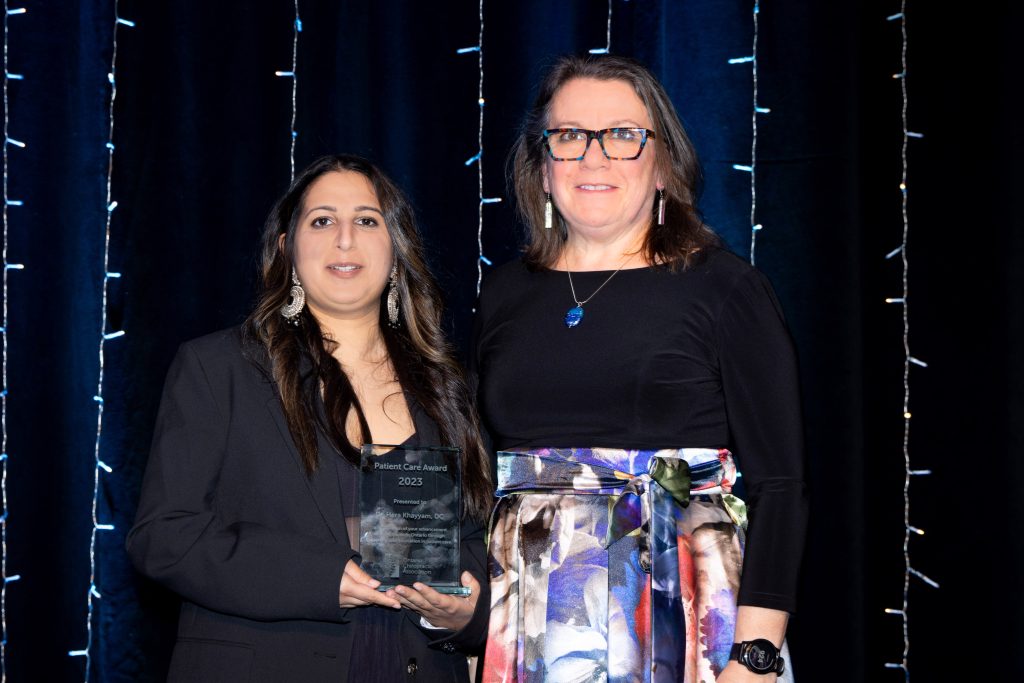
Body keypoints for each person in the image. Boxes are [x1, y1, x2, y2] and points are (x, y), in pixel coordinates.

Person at [471, 55, 806, 682]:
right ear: (541, 167)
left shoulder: (725, 288)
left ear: (663, 164)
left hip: (696, 625)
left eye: (623, 136)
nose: (593, 158)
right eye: (569, 136)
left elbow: (781, 488)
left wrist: (754, 659)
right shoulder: (503, 295)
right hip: (533, 626)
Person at [127, 154, 492, 682]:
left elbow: (475, 542)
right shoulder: (219, 369)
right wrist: (323, 577)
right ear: (286, 247)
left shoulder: (445, 387)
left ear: (396, 250)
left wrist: (464, 614)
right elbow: (163, 537)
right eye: (322, 220)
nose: (345, 239)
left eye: (367, 220)